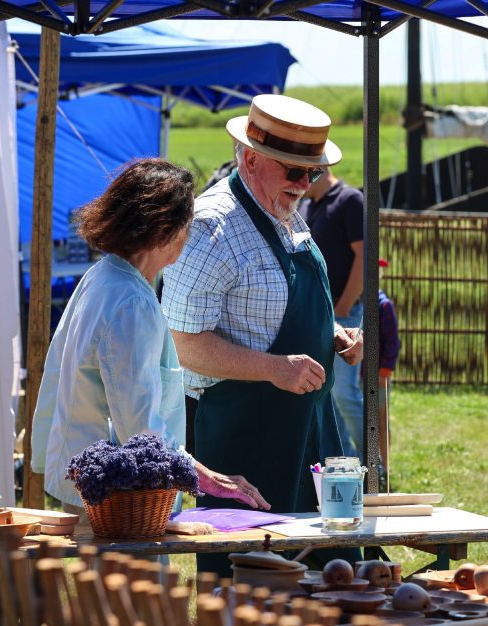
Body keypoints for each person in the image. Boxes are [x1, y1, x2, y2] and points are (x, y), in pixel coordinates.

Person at [161, 95, 363, 576]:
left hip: (310, 429)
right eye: (292, 171)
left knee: (331, 576)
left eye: (311, 173)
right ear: (249, 158)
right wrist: (275, 369)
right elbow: (182, 344)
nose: (302, 184)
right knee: (251, 585)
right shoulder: (211, 227)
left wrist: (333, 334)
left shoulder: (285, 211)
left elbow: (272, 309)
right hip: (244, 440)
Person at [31, 158, 269, 518]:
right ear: (166, 230)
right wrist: (204, 477)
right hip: (118, 498)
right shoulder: (130, 302)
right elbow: (138, 424)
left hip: (93, 480)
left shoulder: (103, 276)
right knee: (132, 577)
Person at [300, 169, 365, 457]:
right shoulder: (306, 206)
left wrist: (342, 308)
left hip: (343, 312)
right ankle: (345, 463)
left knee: (344, 395)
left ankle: (371, 460)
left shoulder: (349, 200)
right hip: (321, 315)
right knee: (327, 395)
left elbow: (365, 258)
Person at [377, 259, 401, 483]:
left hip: (378, 376)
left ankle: (384, 465)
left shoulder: (384, 306)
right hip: (359, 375)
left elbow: (392, 342)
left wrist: (385, 370)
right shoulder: (361, 304)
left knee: (381, 420)